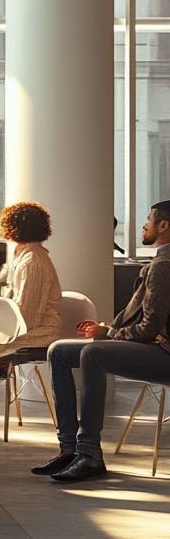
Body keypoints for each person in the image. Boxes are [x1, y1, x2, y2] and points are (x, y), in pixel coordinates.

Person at [34, 201, 170, 483]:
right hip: (153, 347)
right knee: (59, 351)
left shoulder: (163, 266)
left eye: (148, 220)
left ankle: (89, 454)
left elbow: (148, 329)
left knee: (93, 353)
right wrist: (108, 329)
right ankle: (70, 449)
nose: (144, 225)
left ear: (164, 225)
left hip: (163, 353)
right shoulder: (159, 262)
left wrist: (108, 333)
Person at [0, 203, 62, 362]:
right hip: (34, 330)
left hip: (38, 334)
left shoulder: (32, 262)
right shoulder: (31, 256)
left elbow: (28, 316)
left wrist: (1, 329)